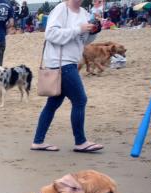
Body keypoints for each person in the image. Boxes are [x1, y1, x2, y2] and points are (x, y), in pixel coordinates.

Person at [30, 0, 103, 153]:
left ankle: (38, 141)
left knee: (53, 104)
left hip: (69, 61)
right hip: (61, 62)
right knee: (80, 100)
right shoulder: (61, 9)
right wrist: (78, 29)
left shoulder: (84, 13)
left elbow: (84, 40)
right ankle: (80, 142)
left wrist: (94, 31)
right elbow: (50, 34)